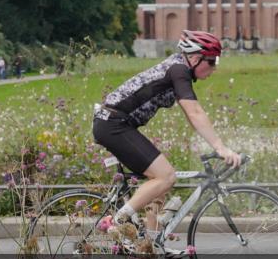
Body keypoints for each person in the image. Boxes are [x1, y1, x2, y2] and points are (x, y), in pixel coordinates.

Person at [93, 30, 241, 247]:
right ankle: (115, 222)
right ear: (195, 57)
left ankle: (151, 242)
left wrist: (213, 142)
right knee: (166, 176)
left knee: (161, 181)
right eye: (211, 61)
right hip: (114, 125)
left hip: (116, 124)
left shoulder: (178, 68)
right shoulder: (179, 69)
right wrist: (221, 148)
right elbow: (195, 112)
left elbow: (191, 115)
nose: (214, 67)